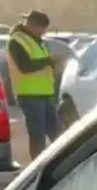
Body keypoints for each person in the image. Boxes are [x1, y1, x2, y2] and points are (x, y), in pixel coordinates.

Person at [7, 11, 60, 159]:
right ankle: (38, 165)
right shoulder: (17, 41)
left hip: (44, 92)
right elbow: (25, 66)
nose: (43, 32)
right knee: (37, 134)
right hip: (29, 93)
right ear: (33, 25)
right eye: (42, 28)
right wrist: (49, 61)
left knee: (56, 131)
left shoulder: (37, 40)